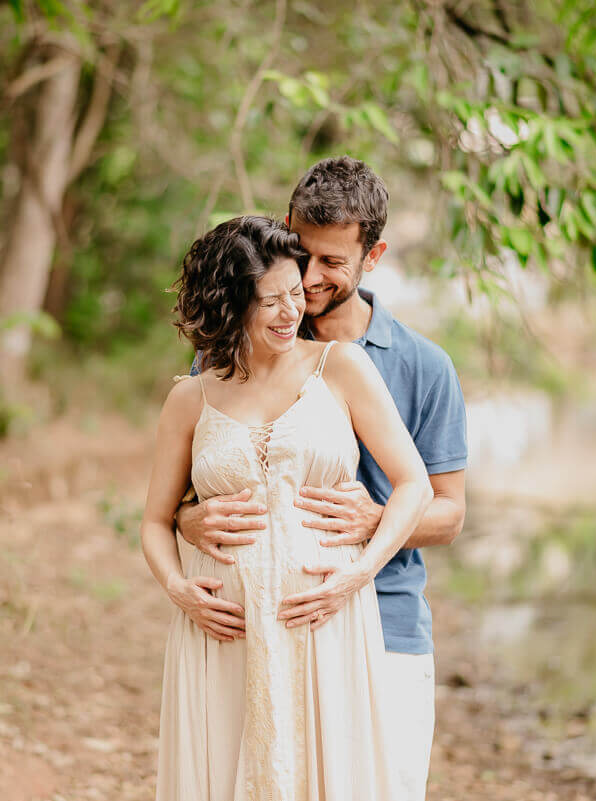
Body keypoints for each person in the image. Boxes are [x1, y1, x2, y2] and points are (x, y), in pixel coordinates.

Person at [176, 157, 468, 799]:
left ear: (374, 255)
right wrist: (185, 516)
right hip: (261, 625)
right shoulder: (237, 340)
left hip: (385, 625)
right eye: (301, 252)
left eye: (333, 262)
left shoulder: (423, 366)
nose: (309, 278)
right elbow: (197, 479)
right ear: (284, 230)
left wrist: (379, 521)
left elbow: (448, 512)